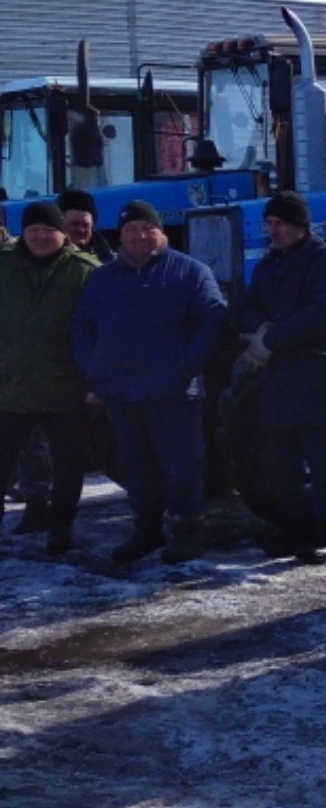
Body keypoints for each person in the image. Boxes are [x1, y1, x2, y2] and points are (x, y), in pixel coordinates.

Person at [72, 199, 227, 564]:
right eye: (132, 229)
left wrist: (186, 366)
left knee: (182, 466)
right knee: (136, 465)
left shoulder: (191, 272)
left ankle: (187, 531)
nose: (140, 236)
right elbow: (82, 323)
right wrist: (91, 365)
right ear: (120, 235)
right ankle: (147, 529)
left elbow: (213, 320)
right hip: (121, 391)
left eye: (148, 228)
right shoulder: (103, 278)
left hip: (174, 391)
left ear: (161, 232)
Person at [232, 191, 326, 564]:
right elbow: (247, 308)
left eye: (281, 223)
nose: (274, 231)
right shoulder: (270, 265)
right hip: (279, 380)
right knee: (285, 462)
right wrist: (260, 329)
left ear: (301, 225)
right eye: (269, 224)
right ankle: (300, 528)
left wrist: (270, 338)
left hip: (319, 378)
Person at [0, 201, 99, 553]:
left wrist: (95, 380)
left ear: (62, 234)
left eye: (48, 230)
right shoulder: (4, 265)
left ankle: (60, 528)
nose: (41, 237)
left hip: (66, 387)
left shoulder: (85, 271)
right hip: (11, 387)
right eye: (34, 230)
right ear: (23, 232)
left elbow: (101, 328)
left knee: (68, 466)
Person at [58, 188, 115, 263]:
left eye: (86, 225)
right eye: (75, 224)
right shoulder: (48, 258)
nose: (81, 230)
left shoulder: (107, 260)